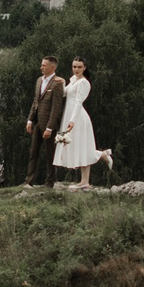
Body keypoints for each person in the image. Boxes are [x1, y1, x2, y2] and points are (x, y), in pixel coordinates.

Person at [53, 56, 115, 188]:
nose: (76, 69)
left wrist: (72, 120)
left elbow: (78, 102)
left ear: (84, 68)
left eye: (79, 67)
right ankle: (101, 156)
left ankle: (85, 180)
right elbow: (64, 94)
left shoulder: (84, 83)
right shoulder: (73, 80)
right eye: (74, 67)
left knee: (82, 146)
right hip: (68, 114)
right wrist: (62, 82)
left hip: (77, 117)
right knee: (75, 146)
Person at [23, 54, 65, 185]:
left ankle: (50, 181)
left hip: (48, 125)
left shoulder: (57, 84)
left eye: (44, 65)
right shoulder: (39, 81)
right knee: (33, 153)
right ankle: (29, 181)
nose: (41, 67)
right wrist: (30, 120)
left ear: (52, 67)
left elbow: (56, 108)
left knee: (50, 155)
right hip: (37, 123)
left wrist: (49, 128)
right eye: (41, 65)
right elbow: (35, 101)